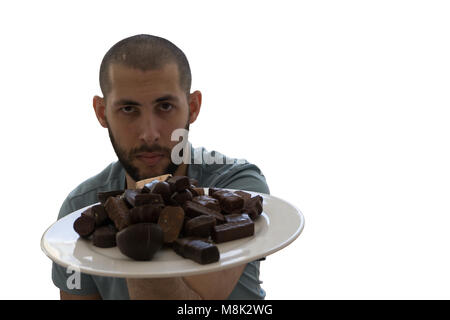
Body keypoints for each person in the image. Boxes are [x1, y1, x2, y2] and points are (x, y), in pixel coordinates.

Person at [51, 34, 270, 300]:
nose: (149, 134)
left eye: (165, 106)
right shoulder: (79, 211)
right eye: (129, 109)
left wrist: (140, 228)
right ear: (101, 112)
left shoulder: (238, 191)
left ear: (192, 107)